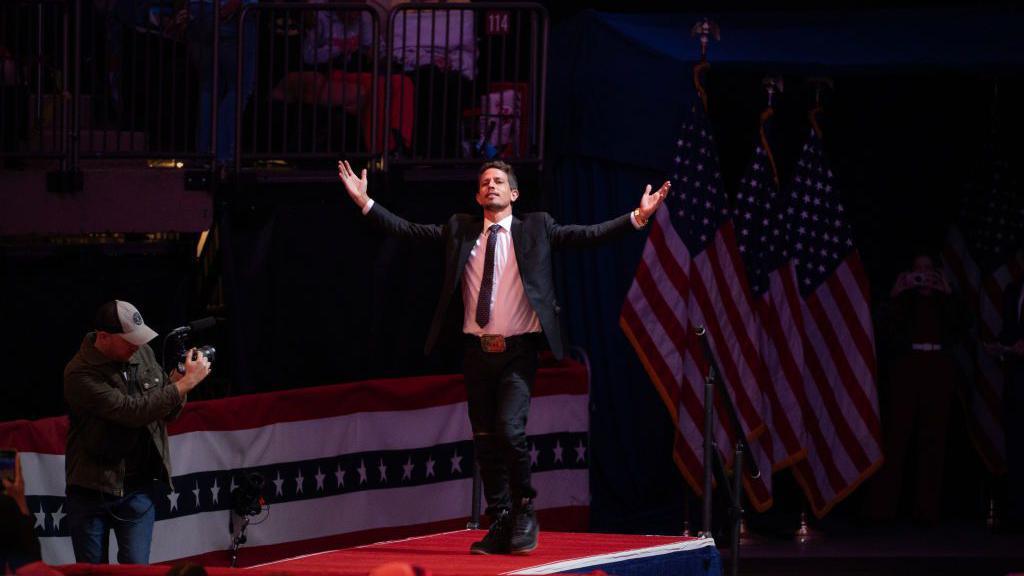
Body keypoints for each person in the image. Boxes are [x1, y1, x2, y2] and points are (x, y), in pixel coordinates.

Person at [338, 159, 669, 554]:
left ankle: (525, 509)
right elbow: (409, 231)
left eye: (499, 181)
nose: (491, 186)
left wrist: (636, 217)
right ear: (478, 196)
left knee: (509, 431)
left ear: (513, 194)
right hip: (477, 352)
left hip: (518, 351)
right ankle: (500, 520)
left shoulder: (537, 228)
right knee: (484, 440)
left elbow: (587, 235)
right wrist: (366, 203)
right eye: (485, 183)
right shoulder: (461, 230)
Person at [64, 300, 212, 564]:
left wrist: (177, 381)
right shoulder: (79, 373)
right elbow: (130, 412)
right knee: (92, 573)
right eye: (128, 340)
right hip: (92, 489)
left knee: (137, 569)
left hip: (138, 488)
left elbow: (166, 413)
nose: (136, 345)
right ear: (104, 336)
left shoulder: (142, 352)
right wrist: (186, 384)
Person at [869, 253, 967, 525]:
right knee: (896, 439)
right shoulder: (903, 301)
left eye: (928, 270)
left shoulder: (944, 302)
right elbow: (881, 328)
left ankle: (927, 512)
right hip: (906, 370)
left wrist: (947, 293)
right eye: (917, 270)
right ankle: (883, 511)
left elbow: (961, 328)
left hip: (938, 370)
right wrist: (895, 294)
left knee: (933, 439)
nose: (923, 276)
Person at [998, 280, 1024, 530]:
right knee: (1016, 449)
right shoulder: (1014, 289)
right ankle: (1017, 514)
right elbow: (1008, 329)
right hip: (1016, 383)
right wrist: (1000, 346)